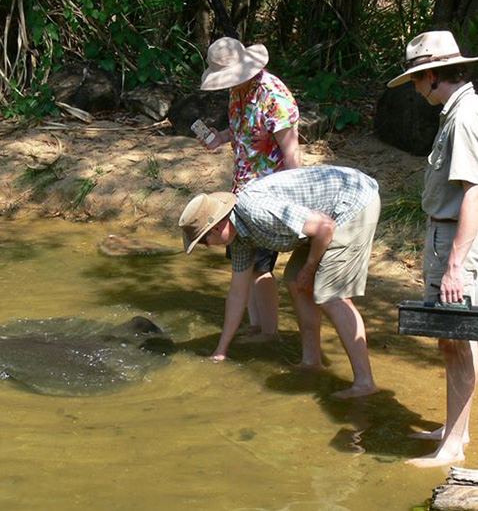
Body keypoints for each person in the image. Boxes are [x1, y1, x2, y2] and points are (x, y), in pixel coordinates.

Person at [178, 165, 380, 399]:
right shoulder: (240, 238)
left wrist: (311, 266)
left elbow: (325, 227)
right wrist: (220, 351)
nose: (208, 247)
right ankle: (311, 361)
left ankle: (365, 382)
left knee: (330, 295)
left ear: (216, 227)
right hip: (323, 220)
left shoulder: (256, 211)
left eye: (204, 241)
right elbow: (237, 294)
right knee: (295, 279)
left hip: (352, 204)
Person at [387, 30, 478, 467]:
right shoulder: (457, 112)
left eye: (418, 80)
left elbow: (474, 192)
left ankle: (453, 445)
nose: (417, 89)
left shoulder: (463, 117)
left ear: (433, 75)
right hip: (445, 233)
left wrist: (457, 265)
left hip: (454, 241)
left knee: (455, 339)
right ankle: (453, 428)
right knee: (454, 339)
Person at [199, 37, 301, 342]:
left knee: (260, 265)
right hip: (241, 191)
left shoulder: (274, 95)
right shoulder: (238, 91)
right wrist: (220, 137)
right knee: (243, 262)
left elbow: (291, 150)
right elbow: (242, 131)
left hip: (271, 195)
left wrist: (295, 202)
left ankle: (269, 331)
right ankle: (256, 326)